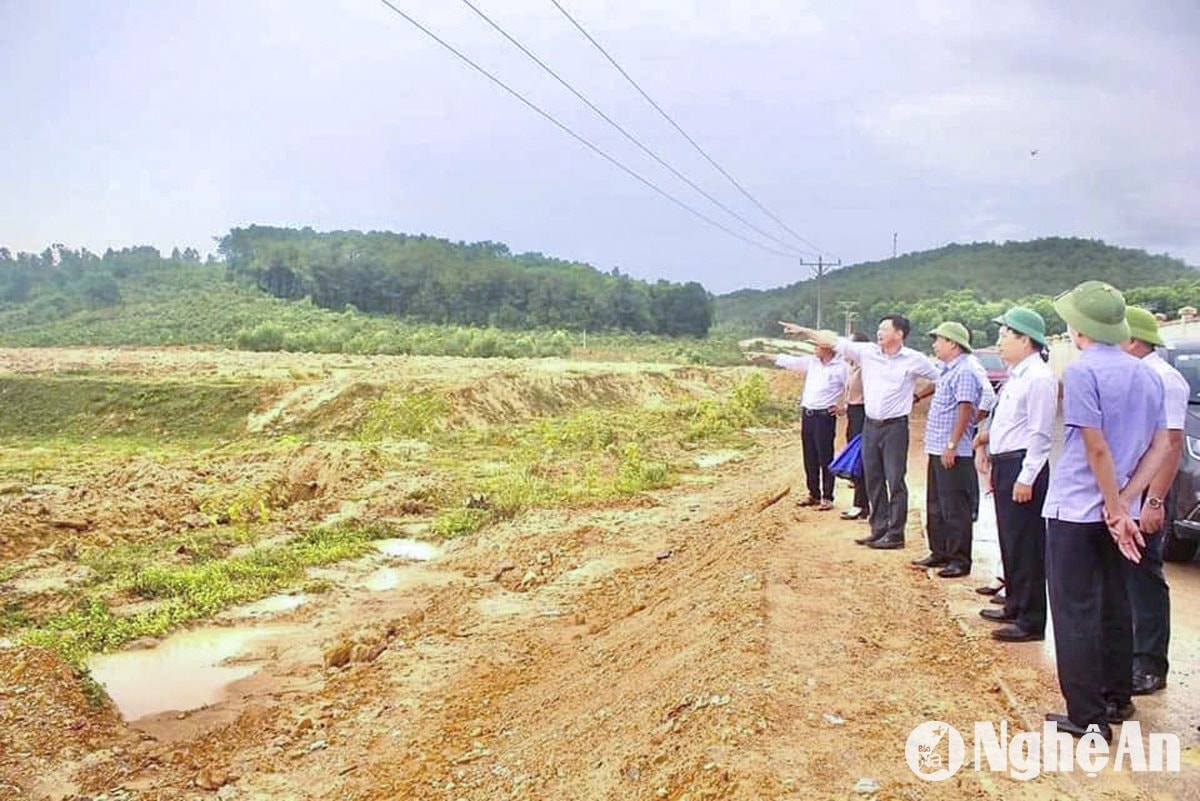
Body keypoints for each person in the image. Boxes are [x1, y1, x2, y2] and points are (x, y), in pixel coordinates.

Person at [1042, 281, 1170, 741]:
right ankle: (1117, 697)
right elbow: (1160, 445)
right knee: (1116, 605)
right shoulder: (1147, 374)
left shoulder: (1082, 371)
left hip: (1077, 510)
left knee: (1075, 611)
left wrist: (1111, 506)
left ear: (1079, 329)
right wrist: (1125, 505)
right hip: (1122, 516)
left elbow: (1095, 447)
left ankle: (1087, 715)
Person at [781, 315, 938, 549]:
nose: (879, 332)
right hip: (870, 425)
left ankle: (896, 534)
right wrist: (804, 330)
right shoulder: (867, 352)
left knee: (894, 480)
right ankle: (878, 528)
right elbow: (832, 340)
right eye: (879, 327)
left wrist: (917, 396)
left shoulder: (914, 359)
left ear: (899, 334)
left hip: (895, 427)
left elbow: (940, 377)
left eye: (884, 329)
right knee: (872, 478)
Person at [973, 306, 1056, 642]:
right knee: (1010, 539)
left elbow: (1040, 433)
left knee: (1027, 545)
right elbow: (1007, 425)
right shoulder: (1018, 375)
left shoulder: (1039, 378)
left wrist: (1027, 476)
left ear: (1026, 340)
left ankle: (1031, 620)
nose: (1000, 341)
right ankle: (1015, 604)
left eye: (1006, 335)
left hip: (1024, 466)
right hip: (1008, 462)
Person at [1120, 306, 1187, 695]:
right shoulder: (1135, 375)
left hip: (1149, 490)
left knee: (1144, 574)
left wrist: (1155, 501)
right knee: (1124, 573)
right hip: (1129, 485)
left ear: (1133, 340)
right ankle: (1126, 652)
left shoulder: (1166, 379)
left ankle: (1149, 664)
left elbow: (1171, 445)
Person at [910, 322, 983, 577]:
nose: (934, 345)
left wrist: (952, 444)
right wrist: (918, 396)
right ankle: (939, 551)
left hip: (952, 450)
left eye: (938, 340)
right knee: (937, 503)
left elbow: (965, 410)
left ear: (952, 343)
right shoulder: (947, 369)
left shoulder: (964, 371)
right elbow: (937, 386)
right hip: (937, 446)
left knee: (955, 507)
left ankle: (959, 559)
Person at [748, 329, 848, 510]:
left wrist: (844, 408)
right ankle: (814, 493)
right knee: (809, 455)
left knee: (825, 457)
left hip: (824, 417)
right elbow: (789, 361)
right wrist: (764, 355)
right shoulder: (812, 363)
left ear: (827, 347)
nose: (814, 349)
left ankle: (827, 496)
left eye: (817, 345)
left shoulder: (841, 368)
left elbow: (855, 389)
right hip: (808, 415)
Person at [841, 331, 871, 520]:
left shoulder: (865, 367)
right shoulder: (852, 367)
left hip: (863, 413)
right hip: (853, 413)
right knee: (855, 456)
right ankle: (861, 503)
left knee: (861, 459)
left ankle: (861, 504)